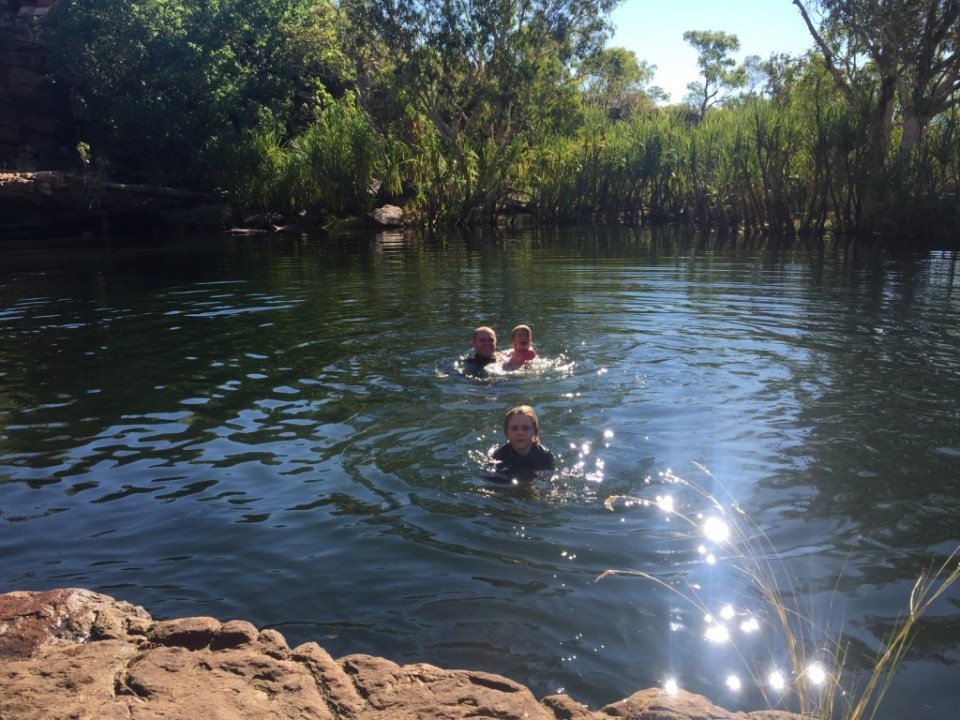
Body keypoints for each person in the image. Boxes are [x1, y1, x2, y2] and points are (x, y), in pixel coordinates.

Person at [491, 405, 556, 473]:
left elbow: (549, 476)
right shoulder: (499, 455)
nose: (520, 433)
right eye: (514, 429)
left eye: (526, 429)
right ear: (506, 432)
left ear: (535, 431)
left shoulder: (545, 455)